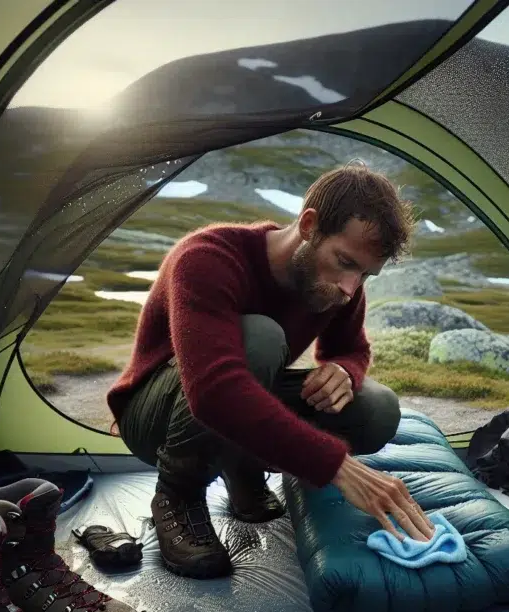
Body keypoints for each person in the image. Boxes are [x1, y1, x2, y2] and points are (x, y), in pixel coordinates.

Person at [106, 162, 436, 579]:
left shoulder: (343, 287)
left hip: (229, 402)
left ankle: (242, 469)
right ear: (309, 225)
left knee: (377, 408)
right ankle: (178, 495)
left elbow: (351, 349)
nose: (350, 288)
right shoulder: (207, 258)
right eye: (344, 262)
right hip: (155, 415)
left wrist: (343, 370)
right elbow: (214, 392)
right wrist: (335, 465)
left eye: (365, 275)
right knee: (261, 338)